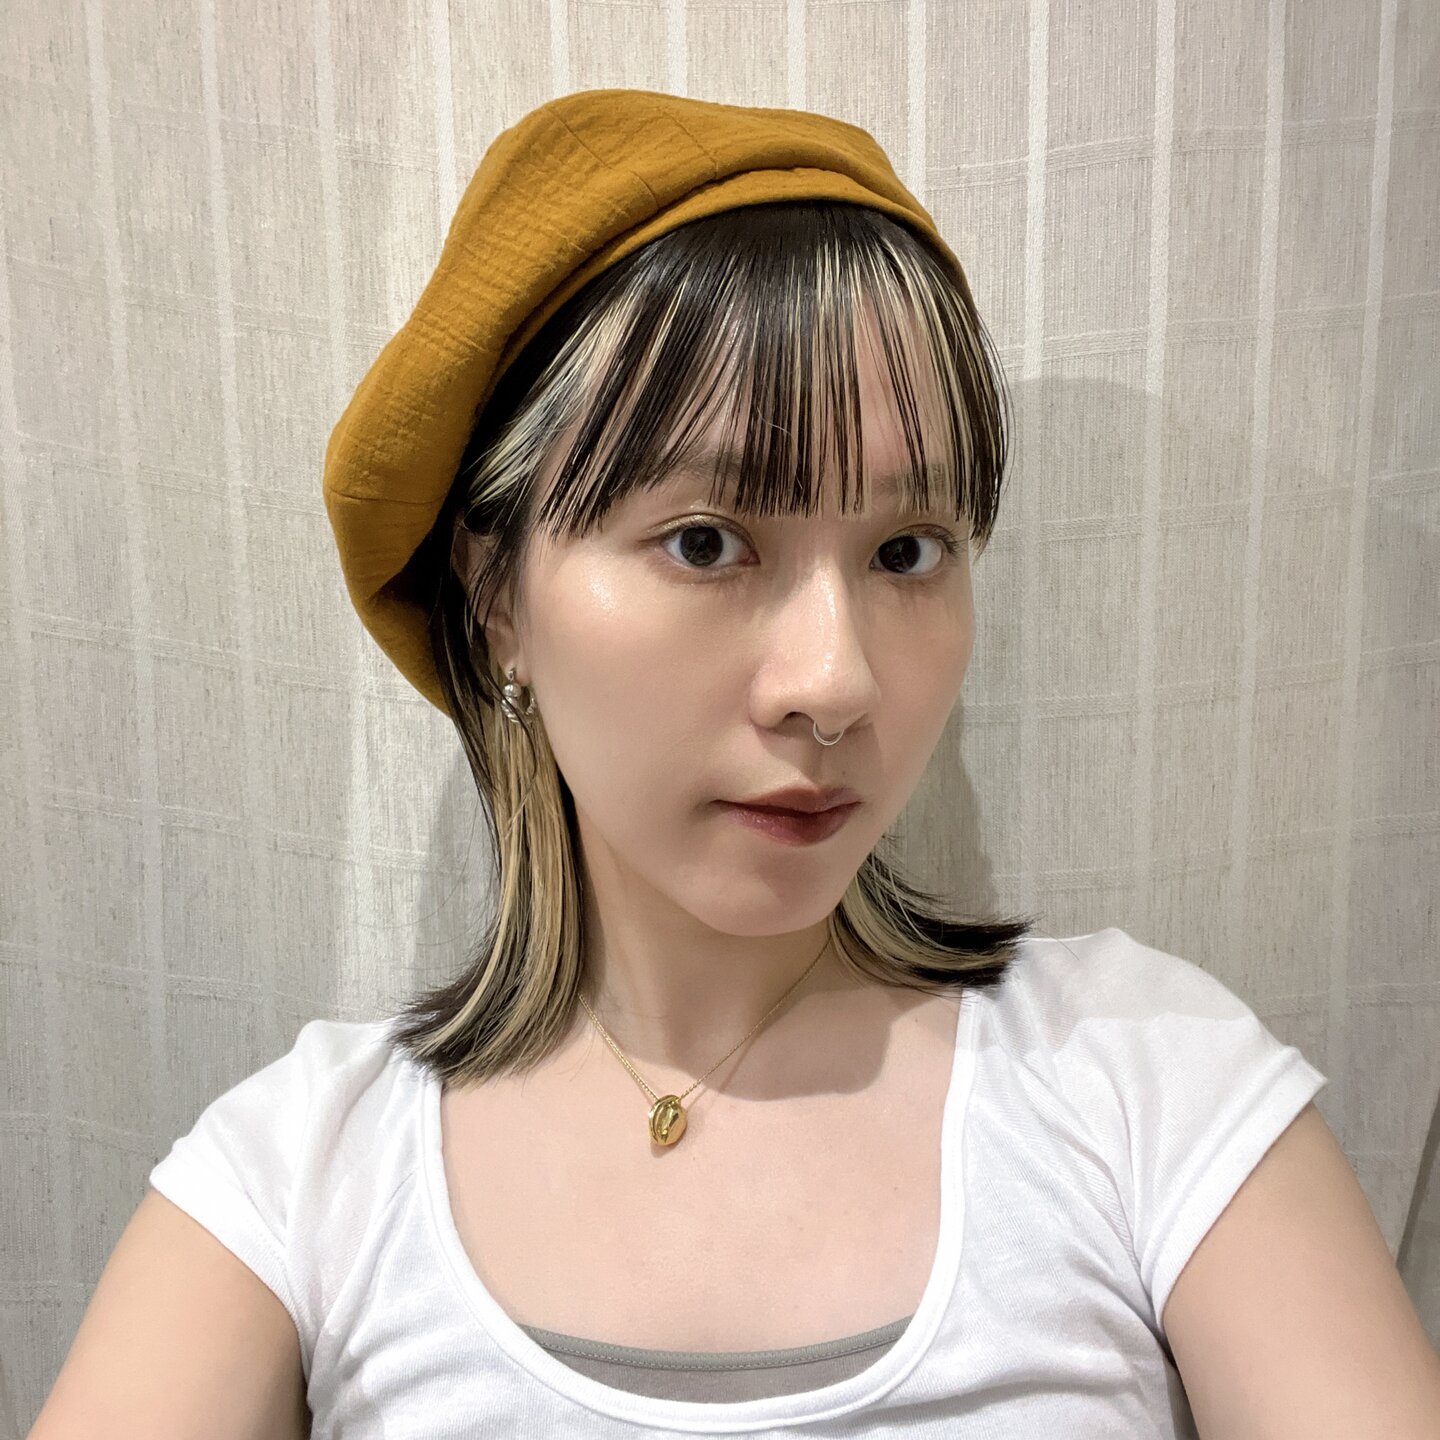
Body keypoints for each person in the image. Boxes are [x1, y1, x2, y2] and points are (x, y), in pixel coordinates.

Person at [45, 89, 1439, 1440]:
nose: (835, 683)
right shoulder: (300, 1180)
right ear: (497, 596)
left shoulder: (1150, 1082)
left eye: (907, 551)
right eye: (707, 541)